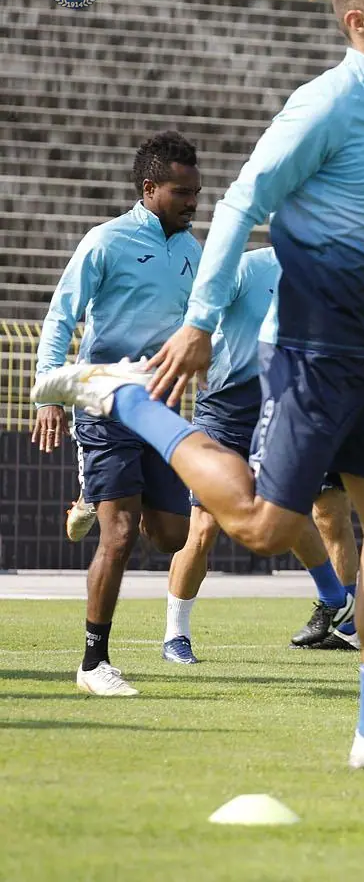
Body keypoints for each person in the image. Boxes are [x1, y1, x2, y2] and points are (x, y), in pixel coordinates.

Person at [33, 0, 364, 772]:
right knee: (263, 527)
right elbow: (241, 202)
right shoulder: (323, 104)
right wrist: (200, 322)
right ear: (359, 22)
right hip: (312, 350)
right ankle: (122, 397)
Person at [160, 247, 364, 662]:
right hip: (227, 408)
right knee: (205, 524)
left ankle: (341, 612)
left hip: (296, 408)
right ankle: (176, 635)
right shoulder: (249, 267)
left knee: (303, 514)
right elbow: (197, 315)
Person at [32, 131, 203, 697]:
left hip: (160, 402)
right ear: (149, 188)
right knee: (121, 533)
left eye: (196, 193)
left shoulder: (194, 250)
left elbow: (202, 324)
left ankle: (91, 493)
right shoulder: (106, 240)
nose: (192, 202)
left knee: (172, 536)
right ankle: (93, 662)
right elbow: (61, 316)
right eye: (181, 192)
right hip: (102, 399)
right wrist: (51, 393)